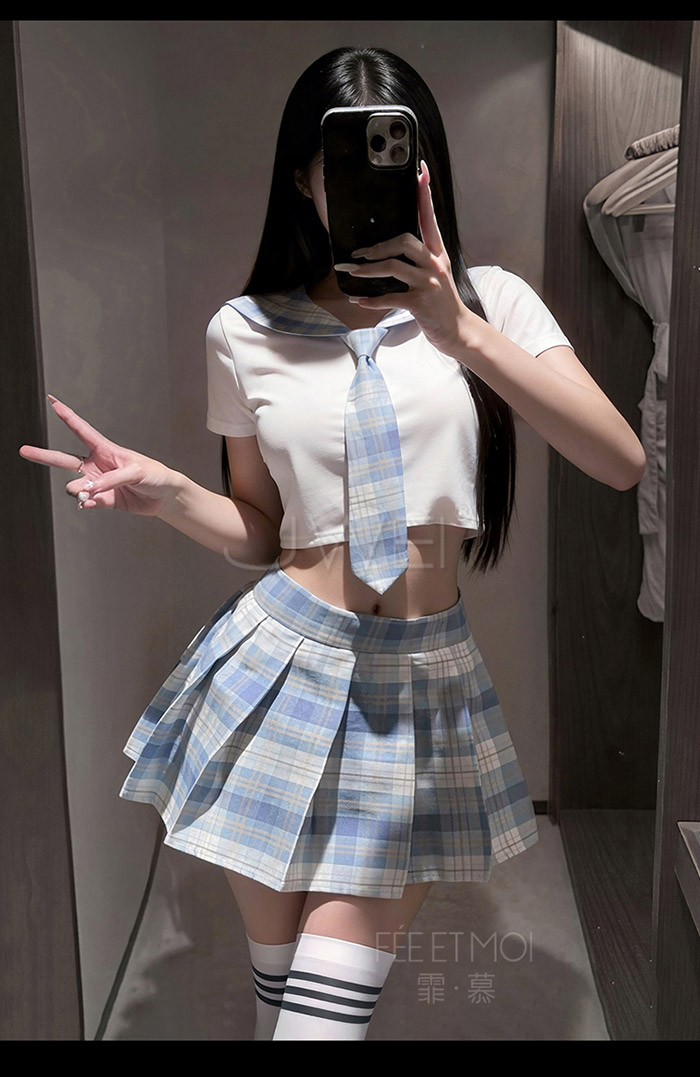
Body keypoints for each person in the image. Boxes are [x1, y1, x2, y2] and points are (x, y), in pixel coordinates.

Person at [20, 46, 646, 1041]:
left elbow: (618, 459)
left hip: (417, 688)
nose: (366, 189)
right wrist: (168, 492)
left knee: (319, 1024)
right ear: (303, 181)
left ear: (427, 172)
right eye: (338, 169)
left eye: (397, 163)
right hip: (279, 670)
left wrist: (458, 331)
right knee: (280, 1002)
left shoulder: (492, 303)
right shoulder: (244, 330)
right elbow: (262, 533)